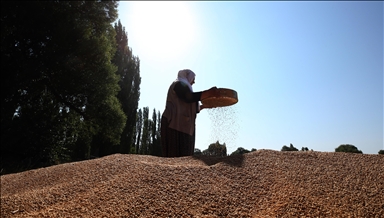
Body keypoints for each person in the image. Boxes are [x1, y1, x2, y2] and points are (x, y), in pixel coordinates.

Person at [161, 69, 219, 157]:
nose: (194, 82)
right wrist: (208, 93)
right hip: (173, 125)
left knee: (185, 157)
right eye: (193, 78)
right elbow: (188, 98)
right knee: (174, 157)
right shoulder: (178, 84)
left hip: (185, 128)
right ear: (187, 77)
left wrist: (206, 106)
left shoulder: (187, 89)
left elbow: (194, 108)